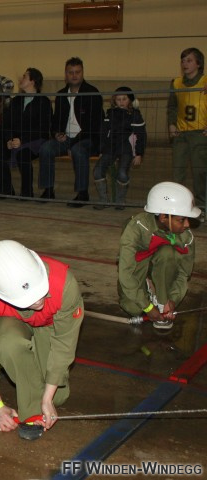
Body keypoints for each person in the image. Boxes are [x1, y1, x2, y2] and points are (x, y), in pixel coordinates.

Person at [0, 239, 84, 441]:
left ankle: (34, 385)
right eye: (29, 299)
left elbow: (64, 343)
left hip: (50, 327)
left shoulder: (64, 284)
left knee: (58, 397)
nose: (38, 301)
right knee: (8, 343)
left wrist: (48, 398)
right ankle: (31, 408)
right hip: (13, 325)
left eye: (40, 293)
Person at [118, 182, 200, 331]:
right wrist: (148, 307)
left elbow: (183, 274)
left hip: (160, 263)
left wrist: (173, 299)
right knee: (133, 308)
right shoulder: (136, 229)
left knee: (168, 253)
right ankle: (147, 288)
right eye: (182, 220)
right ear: (163, 217)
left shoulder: (186, 238)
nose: (187, 224)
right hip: (138, 265)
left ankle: (162, 302)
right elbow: (126, 273)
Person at [38, 57, 103, 207]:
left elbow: (94, 125)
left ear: (82, 73)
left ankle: (82, 194)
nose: (74, 75)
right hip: (66, 138)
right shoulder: (61, 95)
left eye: (77, 72)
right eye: (70, 72)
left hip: (87, 139)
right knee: (46, 148)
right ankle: (48, 190)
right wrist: (56, 133)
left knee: (78, 151)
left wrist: (73, 143)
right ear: (65, 74)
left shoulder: (92, 93)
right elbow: (55, 121)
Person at [0, 68, 52, 199]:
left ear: (32, 81)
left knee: (23, 155)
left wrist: (22, 140)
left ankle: (27, 192)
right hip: (16, 140)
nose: (21, 79)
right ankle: (6, 189)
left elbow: (43, 128)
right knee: (0, 152)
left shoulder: (44, 101)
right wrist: (9, 139)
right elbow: (7, 123)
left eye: (24, 77)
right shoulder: (16, 101)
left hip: (36, 140)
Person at [167, 48, 207, 213]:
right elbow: (172, 106)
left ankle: (202, 206)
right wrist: (171, 124)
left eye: (189, 60)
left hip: (200, 133)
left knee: (200, 173)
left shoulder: (205, 81)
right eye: (183, 61)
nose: (185, 64)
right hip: (181, 134)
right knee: (178, 172)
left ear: (198, 64)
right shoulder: (176, 83)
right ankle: (179, 206)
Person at [93, 86, 146, 210]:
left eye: (124, 99)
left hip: (126, 149)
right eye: (118, 99)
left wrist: (139, 154)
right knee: (97, 171)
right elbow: (103, 133)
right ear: (114, 101)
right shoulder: (110, 114)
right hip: (110, 148)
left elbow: (141, 136)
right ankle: (103, 200)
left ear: (130, 100)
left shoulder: (135, 115)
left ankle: (120, 200)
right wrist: (101, 149)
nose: (121, 102)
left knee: (122, 173)